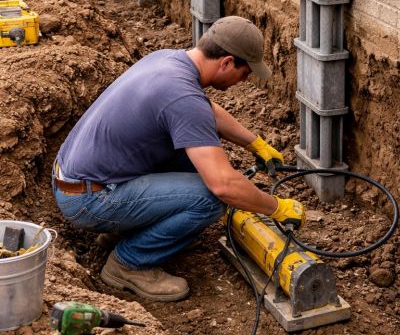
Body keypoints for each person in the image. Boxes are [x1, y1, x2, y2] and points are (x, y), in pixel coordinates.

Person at [52, 16, 305, 302]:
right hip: (89, 200)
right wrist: (276, 207)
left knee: (191, 158)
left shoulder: (169, 60)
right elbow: (222, 185)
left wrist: (255, 144)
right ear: (226, 62)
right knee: (211, 197)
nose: (244, 81)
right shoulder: (183, 98)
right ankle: (128, 264)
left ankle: (123, 229)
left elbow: (205, 109)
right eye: (245, 72)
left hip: (76, 178)